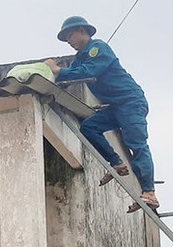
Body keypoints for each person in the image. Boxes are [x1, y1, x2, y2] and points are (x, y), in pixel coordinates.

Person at [45, 16, 158, 214]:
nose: (68, 41)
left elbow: (88, 71)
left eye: (69, 35)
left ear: (82, 30)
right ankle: (116, 163)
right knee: (89, 128)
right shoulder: (80, 58)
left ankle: (149, 192)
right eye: (65, 38)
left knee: (136, 144)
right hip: (116, 106)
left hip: (130, 102)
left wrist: (57, 70)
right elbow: (73, 74)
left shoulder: (98, 48)